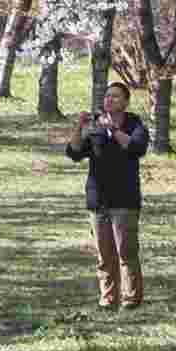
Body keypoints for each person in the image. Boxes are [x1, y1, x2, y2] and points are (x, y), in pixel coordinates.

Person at [61, 71, 153, 314]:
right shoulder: (94, 125)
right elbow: (74, 153)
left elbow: (136, 147)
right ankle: (107, 298)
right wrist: (80, 128)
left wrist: (113, 129)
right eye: (107, 97)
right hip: (98, 198)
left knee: (126, 252)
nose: (109, 100)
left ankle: (131, 298)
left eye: (115, 97)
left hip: (125, 199)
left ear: (125, 101)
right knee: (104, 255)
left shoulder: (135, 125)